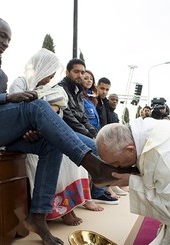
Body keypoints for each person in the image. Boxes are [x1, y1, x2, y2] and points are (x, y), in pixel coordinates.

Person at [0, 16, 136, 245]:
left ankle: (38, 215)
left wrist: (24, 128)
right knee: (35, 106)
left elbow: (1, 114)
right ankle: (95, 165)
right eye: (2, 35)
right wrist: (8, 98)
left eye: (9, 39)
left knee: (49, 141)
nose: (6, 43)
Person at [9, 48, 102, 225]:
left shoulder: (48, 88)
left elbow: (56, 113)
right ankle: (59, 209)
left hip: (43, 133)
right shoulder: (20, 83)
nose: (50, 77)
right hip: (25, 136)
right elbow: (16, 112)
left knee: (72, 157)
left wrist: (53, 110)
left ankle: (69, 207)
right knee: (60, 154)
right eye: (49, 72)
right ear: (40, 67)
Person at [58, 60, 119, 205]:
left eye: (82, 72)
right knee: (98, 148)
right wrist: (89, 134)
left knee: (105, 145)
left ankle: (103, 189)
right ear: (67, 72)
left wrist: (97, 134)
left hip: (77, 130)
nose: (80, 75)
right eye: (76, 71)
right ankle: (97, 193)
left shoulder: (78, 91)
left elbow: (83, 117)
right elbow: (69, 117)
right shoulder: (61, 89)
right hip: (65, 130)